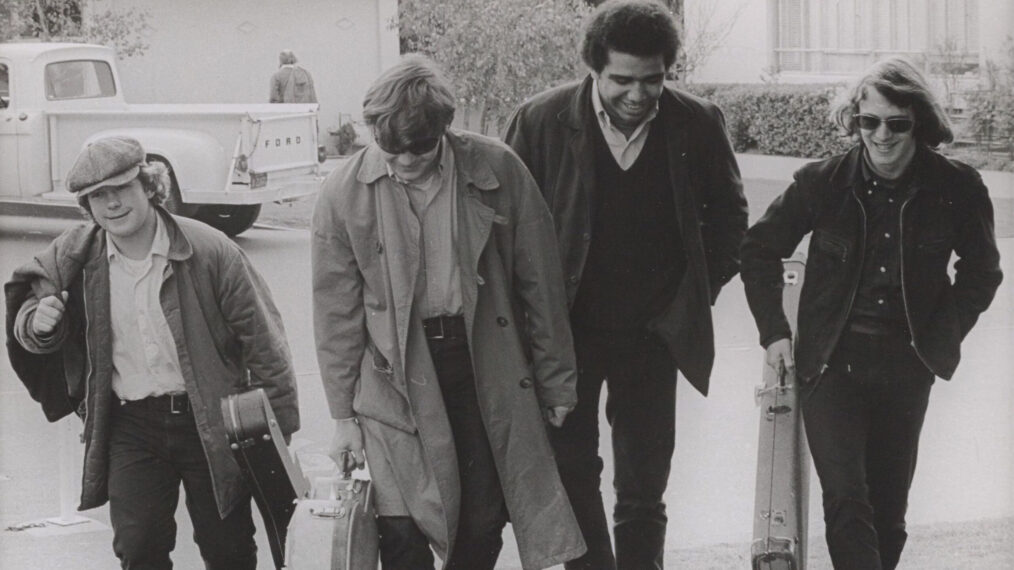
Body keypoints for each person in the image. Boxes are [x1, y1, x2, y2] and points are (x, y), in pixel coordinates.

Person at [312, 54, 585, 569]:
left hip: (481, 361)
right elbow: (335, 315)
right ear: (373, 131)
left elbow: (540, 285)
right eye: (390, 147)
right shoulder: (342, 194)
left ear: (445, 128)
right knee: (402, 526)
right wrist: (343, 417)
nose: (405, 160)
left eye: (419, 147)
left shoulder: (497, 167)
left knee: (482, 521)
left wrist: (556, 382)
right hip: (393, 377)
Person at [504, 1, 748, 567]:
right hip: (566, 337)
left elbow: (730, 220)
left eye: (654, 80)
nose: (638, 95)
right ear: (593, 68)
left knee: (644, 485)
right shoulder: (539, 121)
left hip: (653, 337)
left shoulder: (697, 122)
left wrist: (690, 296)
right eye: (622, 80)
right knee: (572, 470)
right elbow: (505, 231)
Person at [740, 56, 1003, 570]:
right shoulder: (822, 182)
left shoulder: (957, 188)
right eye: (869, 121)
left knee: (889, 516)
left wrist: (939, 338)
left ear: (919, 123)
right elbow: (758, 249)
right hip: (831, 365)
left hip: (906, 368)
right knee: (846, 500)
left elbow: (982, 273)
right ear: (854, 120)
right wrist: (775, 333)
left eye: (897, 124)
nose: (881, 135)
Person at [4, 135, 299, 569]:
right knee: (138, 547)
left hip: (210, 421)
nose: (112, 205)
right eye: (97, 197)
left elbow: (265, 342)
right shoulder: (75, 254)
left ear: (149, 186)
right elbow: (31, 312)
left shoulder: (211, 249)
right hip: (131, 425)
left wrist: (281, 433)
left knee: (228, 549)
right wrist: (37, 323)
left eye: (122, 189)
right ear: (87, 206)